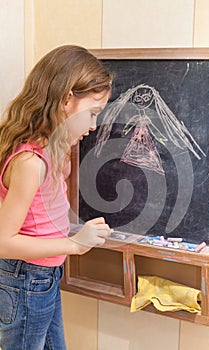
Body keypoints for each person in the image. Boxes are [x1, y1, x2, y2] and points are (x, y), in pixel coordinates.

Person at [0, 45, 112, 350]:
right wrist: (74, 244)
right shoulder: (30, 163)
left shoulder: (51, 152)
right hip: (26, 280)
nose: (92, 126)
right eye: (92, 113)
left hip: (43, 277)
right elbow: (4, 242)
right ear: (66, 100)